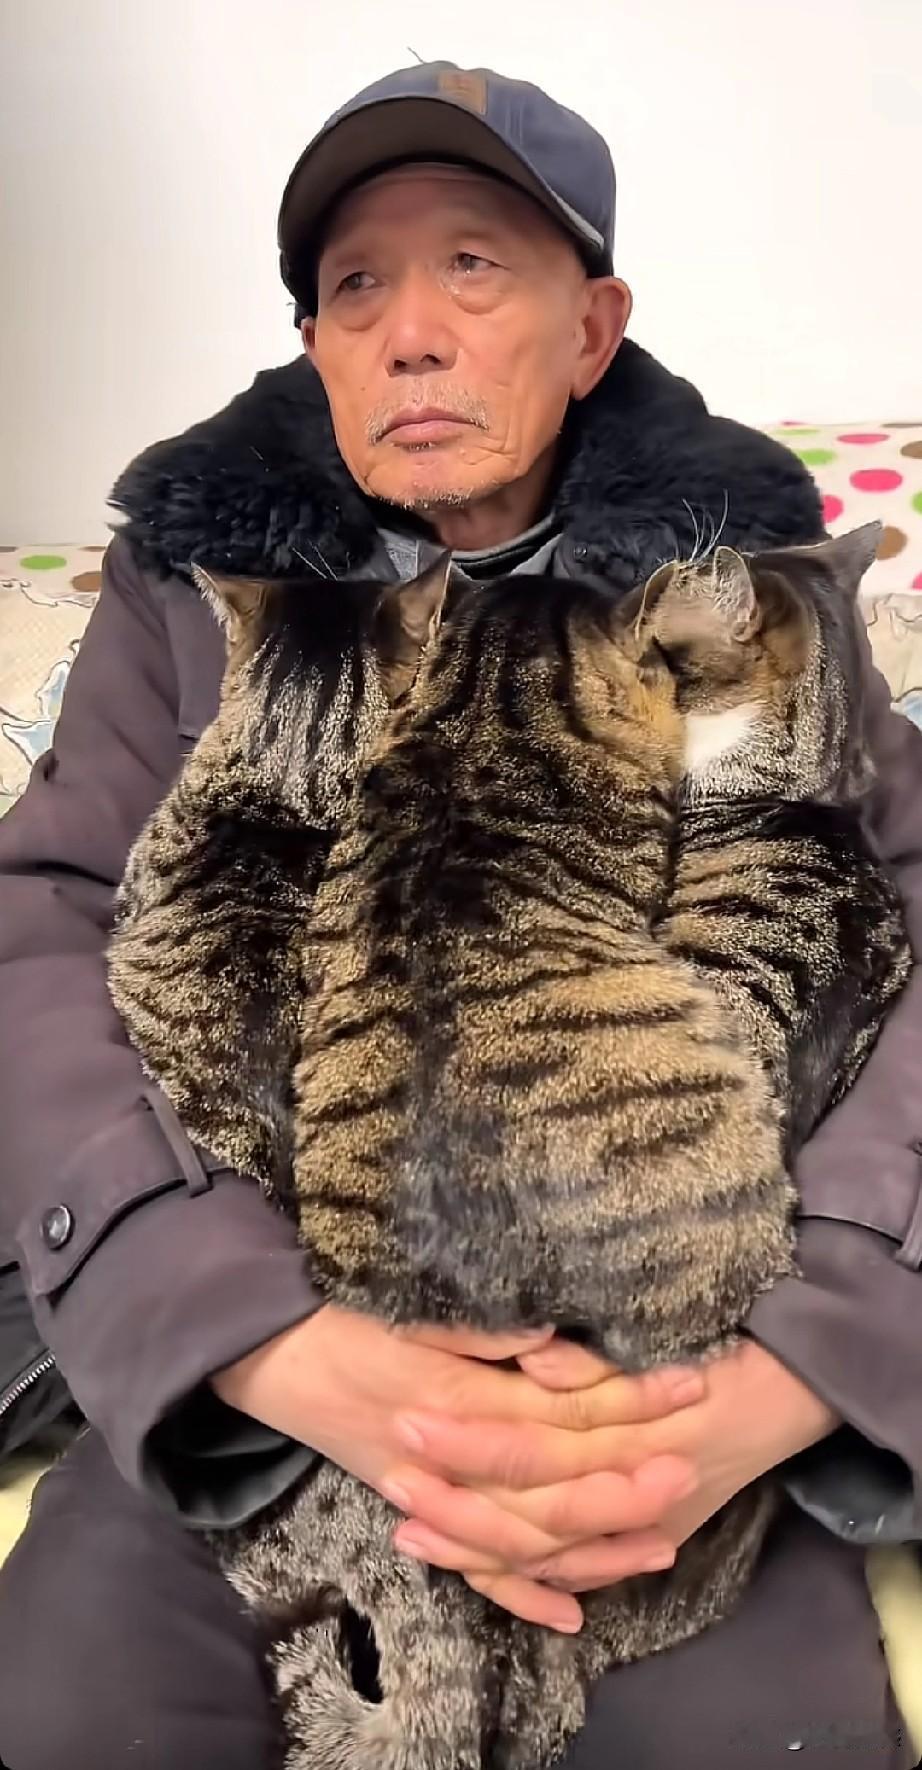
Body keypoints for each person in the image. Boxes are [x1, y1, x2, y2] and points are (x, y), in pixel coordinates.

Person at [0, 61, 918, 1770]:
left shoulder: (743, 585)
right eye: (356, 286)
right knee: (69, 1711)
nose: (410, 333)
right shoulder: (195, 587)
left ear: (591, 329)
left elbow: (899, 915)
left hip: (671, 1355)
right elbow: (38, 936)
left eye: (474, 267)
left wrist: (799, 1366)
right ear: (315, 348)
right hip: (269, 1332)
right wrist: (251, 1338)